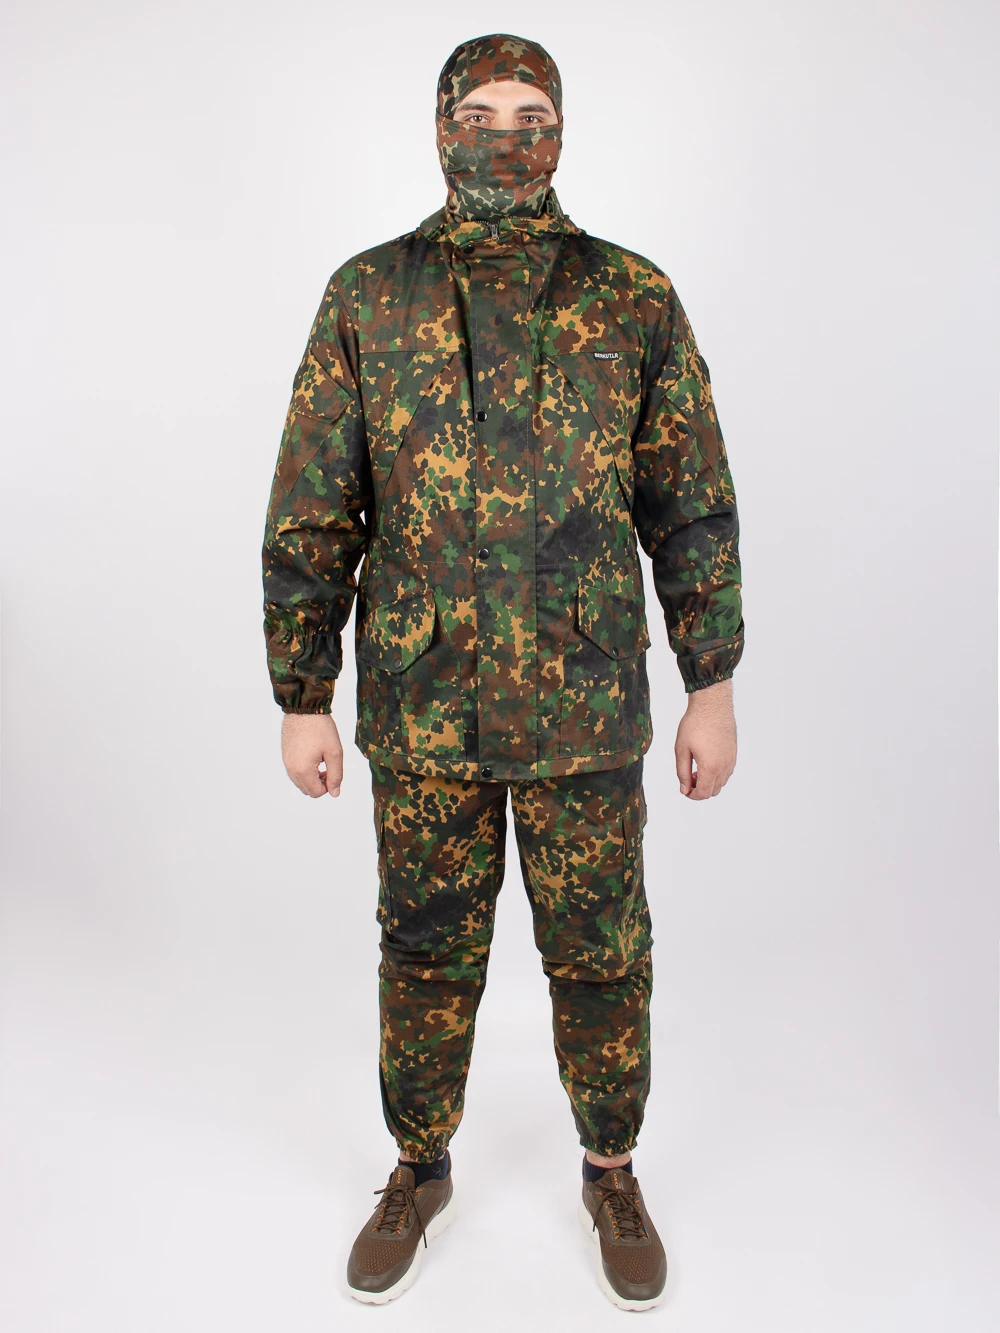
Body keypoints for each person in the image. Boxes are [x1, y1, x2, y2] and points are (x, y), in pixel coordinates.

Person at [261, 32, 744, 1311]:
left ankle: (611, 1168)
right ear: (439, 125)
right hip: (425, 704)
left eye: (532, 114)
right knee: (424, 950)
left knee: (602, 951)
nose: (508, 136)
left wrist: (710, 681)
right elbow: (315, 509)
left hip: (585, 702)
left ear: (563, 131)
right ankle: (418, 1167)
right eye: (481, 113)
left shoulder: (631, 297)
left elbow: (689, 505)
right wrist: (303, 695)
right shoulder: (370, 296)